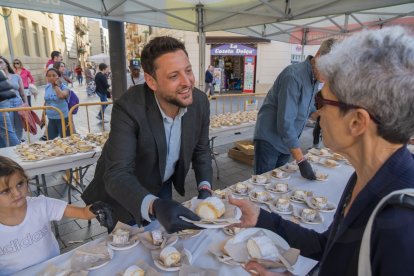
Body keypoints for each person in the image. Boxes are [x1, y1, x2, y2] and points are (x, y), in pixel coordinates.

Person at [230, 26, 414, 276]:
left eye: (322, 102)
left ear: (357, 122)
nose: (318, 115)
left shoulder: (400, 226)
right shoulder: (364, 175)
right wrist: (263, 218)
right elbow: (330, 249)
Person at [82, 36, 213, 234]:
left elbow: (201, 150)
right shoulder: (128, 108)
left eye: (188, 70)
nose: (188, 82)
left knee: (162, 238)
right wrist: (155, 205)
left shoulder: (200, 102)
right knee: (131, 251)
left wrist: (205, 189)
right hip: (125, 190)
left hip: (162, 181)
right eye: (174, 76)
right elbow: (117, 173)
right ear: (151, 81)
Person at [0, 156, 113, 275]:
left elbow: (82, 213)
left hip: (54, 269)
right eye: (5, 191)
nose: (17, 193)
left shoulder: (40, 205)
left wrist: (96, 209)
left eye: (20, 184)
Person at [253, 38, 337, 179]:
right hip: (270, 139)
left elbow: (308, 106)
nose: (327, 77)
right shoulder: (293, 76)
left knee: (279, 182)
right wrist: (301, 160)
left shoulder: (315, 77)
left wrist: (321, 117)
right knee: (263, 183)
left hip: (287, 141)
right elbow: (285, 122)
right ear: (318, 56)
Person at [0, 56, 28, 144]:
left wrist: (26, 103)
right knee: (9, 127)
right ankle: (15, 145)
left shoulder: (16, 76)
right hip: (6, 104)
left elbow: (22, 92)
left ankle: (18, 142)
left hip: (18, 102)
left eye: (1, 62)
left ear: (6, 64)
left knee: (19, 126)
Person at [44, 68, 70, 139]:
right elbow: (46, 101)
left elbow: (61, 96)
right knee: (50, 141)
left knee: (66, 140)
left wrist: (56, 85)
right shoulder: (47, 87)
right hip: (51, 119)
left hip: (63, 118)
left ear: (58, 77)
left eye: (54, 75)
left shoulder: (65, 88)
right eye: (49, 76)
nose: (51, 77)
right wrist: (43, 116)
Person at [0, 70, 19, 147]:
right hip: (4, 101)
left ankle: (19, 153)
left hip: (1, 103)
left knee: (7, 132)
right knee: (3, 132)